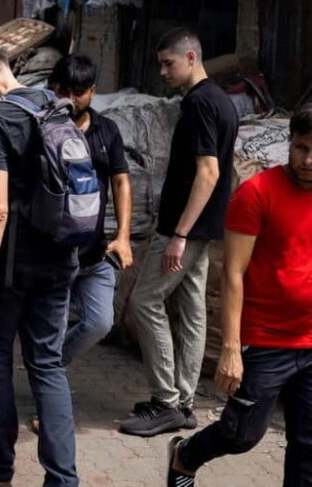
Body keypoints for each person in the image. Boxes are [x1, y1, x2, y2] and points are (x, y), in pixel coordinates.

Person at [0, 40, 79, 487]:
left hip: (10, 270)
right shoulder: (52, 103)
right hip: (61, 258)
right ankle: (63, 480)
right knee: (48, 366)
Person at [166, 106, 312, 487]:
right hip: (267, 339)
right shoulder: (258, 192)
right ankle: (185, 455)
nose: (308, 160)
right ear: (289, 143)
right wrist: (231, 347)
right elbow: (232, 273)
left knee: (308, 446)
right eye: (300, 147)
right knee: (242, 433)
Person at [120, 27, 238, 437]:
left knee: (145, 301)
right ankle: (184, 402)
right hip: (202, 229)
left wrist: (180, 234)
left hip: (185, 230)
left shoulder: (202, 104)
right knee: (191, 310)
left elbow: (209, 173)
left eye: (169, 63)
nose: (164, 72)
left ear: (191, 58)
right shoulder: (219, 101)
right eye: (161, 65)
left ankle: (166, 400)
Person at [51, 54, 133, 363]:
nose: (71, 99)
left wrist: (123, 237)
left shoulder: (107, 130)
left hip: (95, 251)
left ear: (92, 92)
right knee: (52, 328)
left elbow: (121, 183)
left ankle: (52, 368)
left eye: (79, 92)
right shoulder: (45, 129)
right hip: (54, 254)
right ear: (54, 89)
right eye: (65, 91)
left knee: (100, 323)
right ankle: (47, 397)